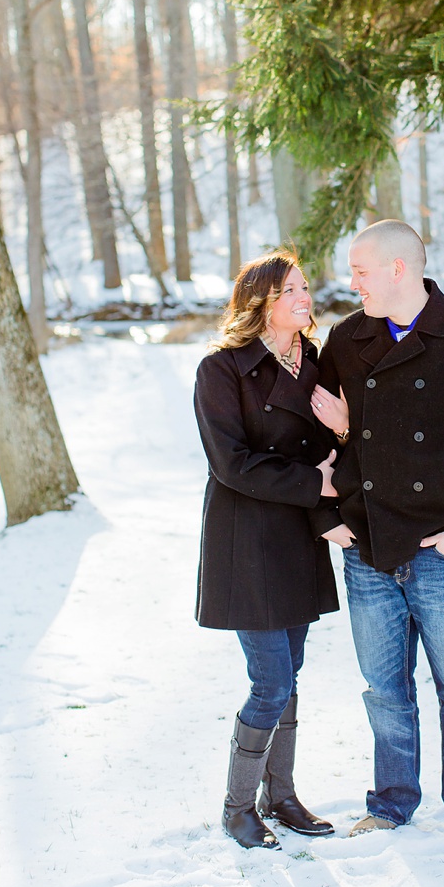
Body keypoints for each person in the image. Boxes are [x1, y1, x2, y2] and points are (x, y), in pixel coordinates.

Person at [309, 219, 444, 854]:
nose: (351, 284)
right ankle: (392, 803)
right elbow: (315, 436)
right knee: (384, 689)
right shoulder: (347, 339)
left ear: (399, 269)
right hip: (369, 549)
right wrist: (331, 520)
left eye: (360, 271)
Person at [193, 250, 342, 850]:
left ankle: (279, 797)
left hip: (299, 536)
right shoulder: (221, 369)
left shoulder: (319, 361)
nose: (305, 298)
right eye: (290, 291)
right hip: (247, 537)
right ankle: (237, 808)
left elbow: (339, 439)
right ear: (260, 304)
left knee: (292, 674)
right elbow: (230, 463)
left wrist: (344, 442)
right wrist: (316, 483)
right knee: (271, 680)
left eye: (306, 287)